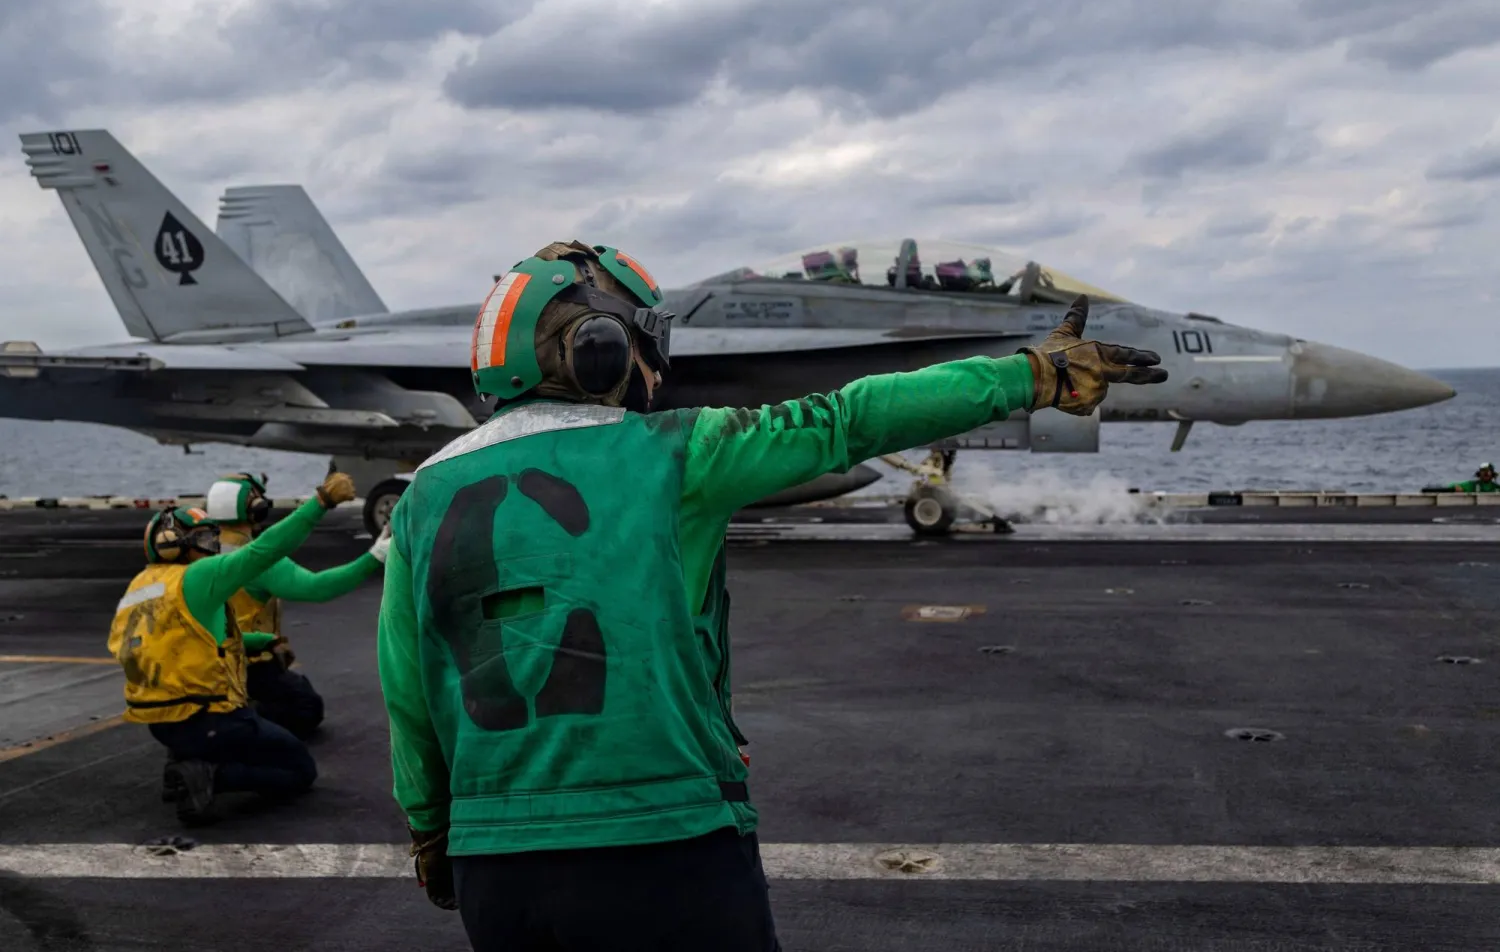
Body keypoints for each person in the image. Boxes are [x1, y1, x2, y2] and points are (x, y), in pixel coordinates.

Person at [376, 240, 1168, 950]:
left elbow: (406, 690)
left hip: (496, 872)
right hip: (665, 846)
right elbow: (852, 420)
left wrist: (432, 832)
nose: (655, 369)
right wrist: (1034, 373)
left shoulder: (421, 497)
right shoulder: (676, 452)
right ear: (599, 350)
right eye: (644, 344)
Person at [107, 473, 357, 824]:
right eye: (202, 540)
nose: (211, 546)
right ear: (173, 544)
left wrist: (260, 640)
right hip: (208, 716)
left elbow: (194, 640)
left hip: (161, 721)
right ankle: (209, 776)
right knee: (300, 769)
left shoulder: (144, 583)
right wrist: (322, 502)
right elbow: (266, 549)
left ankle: (187, 761)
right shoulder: (199, 576)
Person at [203, 471, 392, 739]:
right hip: (247, 663)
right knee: (306, 707)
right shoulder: (256, 561)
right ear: (255, 510)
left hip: (203, 662)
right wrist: (375, 556)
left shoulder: (198, 552)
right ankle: (237, 717)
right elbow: (318, 588)